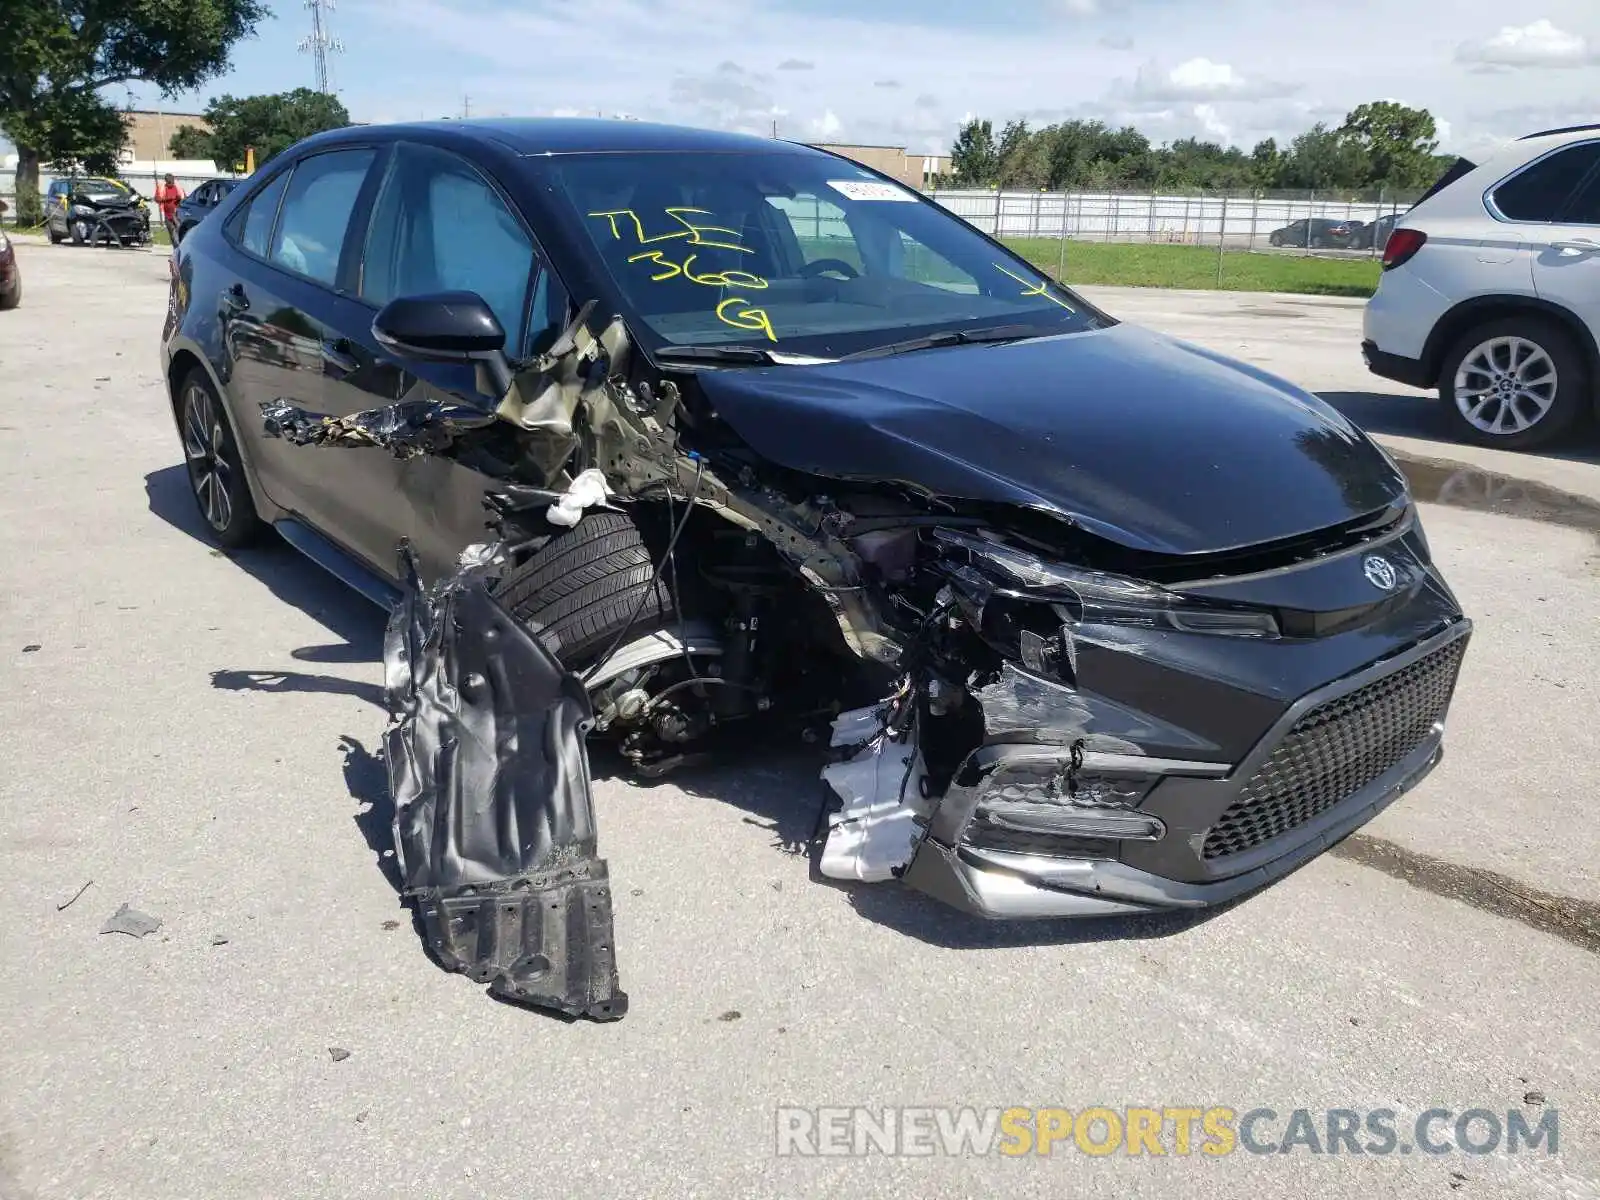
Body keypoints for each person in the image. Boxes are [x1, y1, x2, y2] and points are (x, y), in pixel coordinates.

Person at [155, 174, 185, 245]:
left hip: (177, 214)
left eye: (172, 182)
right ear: (166, 181)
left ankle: (180, 247)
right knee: (172, 233)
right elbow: (156, 199)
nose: (171, 183)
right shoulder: (161, 188)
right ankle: (175, 250)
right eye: (169, 182)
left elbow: (185, 199)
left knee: (180, 231)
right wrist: (166, 199)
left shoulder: (178, 188)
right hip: (167, 215)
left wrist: (179, 199)